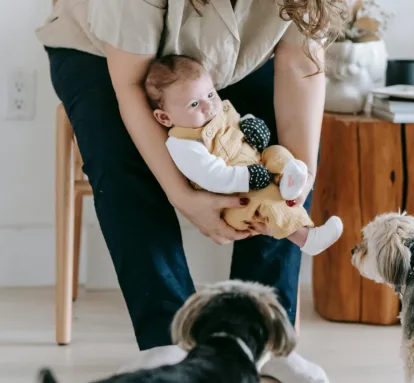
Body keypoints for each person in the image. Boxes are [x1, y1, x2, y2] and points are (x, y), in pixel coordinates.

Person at [36, 1, 347, 381]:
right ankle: (165, 340)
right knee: (119, 154)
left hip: (230, 60)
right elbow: (130, 83)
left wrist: (298, 177)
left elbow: (301, 65)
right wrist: (184, 196)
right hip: (104, 54)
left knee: (282, 146)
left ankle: (265, 337)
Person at [146, 54, 344, 256]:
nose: (208, 106)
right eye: (194, 105)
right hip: (234, 196)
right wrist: (247, 178)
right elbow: (211, 175)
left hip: (256, 165)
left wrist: (251, 126)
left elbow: (237, 123)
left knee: (277, 152)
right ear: (164, 117)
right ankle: (307, 238)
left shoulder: (218, 112)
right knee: (268, 201)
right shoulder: (183, 144)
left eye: (211, 95)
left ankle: (289, 182)